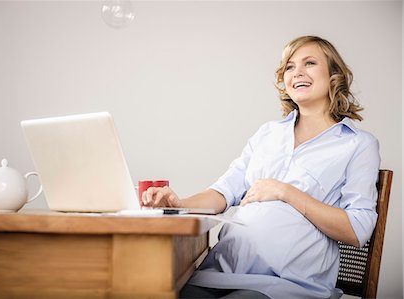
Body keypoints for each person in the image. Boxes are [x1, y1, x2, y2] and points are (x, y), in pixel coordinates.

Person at [141, 36, 380, 299]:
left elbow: (358, 229)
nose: (297, 72)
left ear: (334, 75)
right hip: (220, 271)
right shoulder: (267, 134)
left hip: (289, 285)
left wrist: (286, 192)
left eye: (309, 63)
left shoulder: (357, 144)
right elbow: (223, 192)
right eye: (289, 66)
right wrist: (179, 203)